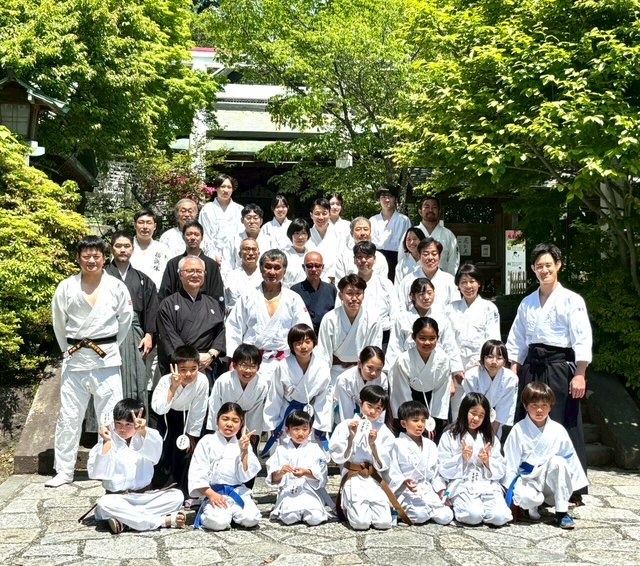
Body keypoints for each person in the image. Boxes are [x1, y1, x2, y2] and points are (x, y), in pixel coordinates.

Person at [47, 236, 133, 488]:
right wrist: (68, 350)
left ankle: (108, 466)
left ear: (104, 258)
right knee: (69, 417)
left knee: (111, 416)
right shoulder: (66, 287)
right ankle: (64, 470)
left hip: (106, 359)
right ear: (78, 258)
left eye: (96, 255)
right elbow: (58, 323)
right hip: (76, 359)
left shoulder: (116, 286)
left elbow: (125, 321)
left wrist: (109, 345)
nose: (91, 260)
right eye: (86, 256)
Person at [506, 243, 591, 489]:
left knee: (565, 422)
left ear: (559, 265)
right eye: (539, 266)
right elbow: (517, 339)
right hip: (532, 366)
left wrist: (580, 374)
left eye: (548, 265)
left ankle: (571, 487)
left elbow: (582, 338)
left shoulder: (572, 300)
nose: (544, 270)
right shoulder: (527, 302)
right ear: (533, 269)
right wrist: (514, 369)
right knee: (529, 420)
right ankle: (529, 483)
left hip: (559, 367)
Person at [87, 398, 185, 533]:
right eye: (118, 423)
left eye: (128, 424)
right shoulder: (108, 439)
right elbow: (98, 473)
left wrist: (143, 431)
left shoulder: (149, 435)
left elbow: (155, 457)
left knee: (177, 496)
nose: (122, 429)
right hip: (118, 499)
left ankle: (126, 521)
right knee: (105, 504)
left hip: (144, 497)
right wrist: (107, 442)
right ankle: (161, 521)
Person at [503, 382, 588, 529]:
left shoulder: (558, 430)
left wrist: (572, 489)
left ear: (550, 407)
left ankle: (561, 513)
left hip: (550, 480)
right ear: (525, 406)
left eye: (544, 405)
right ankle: (532, 506)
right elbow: (510, 463)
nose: (539, 410)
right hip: (527, 479)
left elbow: (569, 459)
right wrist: (508, 493)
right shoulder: (518, 429)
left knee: (559, 462)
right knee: (525, 498)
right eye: (534, 405)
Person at [225, 249, 313, 380]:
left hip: (285, 362)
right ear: (261, 269)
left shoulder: (293, 299)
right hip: (251, 362)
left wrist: (302, 359)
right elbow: (234, 328)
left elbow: (303, 330)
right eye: (268, 267)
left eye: (277, 268)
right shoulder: (248, 297)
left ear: (284, 271)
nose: (272, 272)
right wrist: (234, 359)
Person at [329, 385, 403, 530]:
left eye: (378, 408)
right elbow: (337, 457)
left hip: (373, 477)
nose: (373, 411)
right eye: (370, 406)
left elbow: (385, 464)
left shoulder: (385, 432)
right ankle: (348, 506)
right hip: (353, 477)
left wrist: (373, 445)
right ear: (360, 402)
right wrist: (351, 438)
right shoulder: (345, 425)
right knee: (361, 523)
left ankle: (366, 508)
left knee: (383, 523)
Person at [438, 393, 512, 527]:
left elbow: (501, 468)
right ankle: (463, 506)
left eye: (481, 415)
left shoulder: (490, 437)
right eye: (473, 413)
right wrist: (462, 459)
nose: (476, 418)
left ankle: (484, 508)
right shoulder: (450, 435)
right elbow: (442, 467)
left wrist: (487, 462)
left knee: (500, 517)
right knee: (473, 516)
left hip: (486, 483)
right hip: (462, 483)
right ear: (464, 411)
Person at [188, 403, 261, 531]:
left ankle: (233, 514)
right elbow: (197, 472)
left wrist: (244, 451)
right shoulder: (207, 441)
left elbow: (246, 475)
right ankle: (211, 512)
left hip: (237, 492)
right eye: (225, 419)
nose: (229, 424)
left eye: (235, 421)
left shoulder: (242, 443)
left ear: (241, 424)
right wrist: (211, 494)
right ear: (217, 420)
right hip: (215, 493)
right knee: (218, 523)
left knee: (251, 519)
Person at [105, 232, 158, 407]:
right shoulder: (101, 276)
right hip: (107, 333)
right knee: (107, 379)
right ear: (111, 248)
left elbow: (151, 309)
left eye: (127, 246)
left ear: (132, 249)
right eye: (118, 246)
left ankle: (136, 417)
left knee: (137, 376)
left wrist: (149, 334)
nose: (123, 250)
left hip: (135, 334)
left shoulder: (143, 279)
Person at [263, 325, 332, 455]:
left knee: (311, 452)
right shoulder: (283, 366)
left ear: (314, 343)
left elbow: (324, 399)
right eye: (298, 343)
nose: (303, 346)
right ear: (292, 345)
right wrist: (273, 423)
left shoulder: (322, 366)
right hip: (288, 412)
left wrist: (321, 425)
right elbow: (275, 395)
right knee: (285, 451)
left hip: (311, 413)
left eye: (307, 342)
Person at [156, 256, 226, 382]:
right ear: (180, 275)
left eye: (199, 271)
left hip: (207, 365)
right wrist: (194, 361)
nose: (195, 275)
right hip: (180, 367)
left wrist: (211, 355)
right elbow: (169, 337)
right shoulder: (168, 304)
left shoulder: (213, 303)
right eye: (190, 271)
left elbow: (221, 333)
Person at [151, 345, 209, 497]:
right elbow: (158, 408)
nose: (189, 374)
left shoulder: (202, 381)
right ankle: (160, 489)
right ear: (174, 368)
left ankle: (183, 491)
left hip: (187, 418)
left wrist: (192, 435)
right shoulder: (165, 380)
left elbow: (199, 409)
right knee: (164, 452)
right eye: (183, 369)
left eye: (193, 369)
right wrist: (173, 387)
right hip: (166, 417)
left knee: (186, 453)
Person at [449, 263, 501, 419]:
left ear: (479, 283)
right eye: (463, 282)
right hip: (457, 368)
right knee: (459, 413)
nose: (468, 286)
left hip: (481, 367)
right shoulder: (451, 309)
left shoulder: (489, 308)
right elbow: (448, 340)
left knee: (481, 411)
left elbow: (493, 340)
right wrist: (456, 369)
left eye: (472, 281)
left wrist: (480, 363)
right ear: (458, 285)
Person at [389, 401, 454, 525]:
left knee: (446, 516)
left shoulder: (430, 445)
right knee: (420, 515)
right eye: (415, 420)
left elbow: (434, 473)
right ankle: (402, 510)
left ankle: (428, 509)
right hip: (406, 490)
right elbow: (393, 471)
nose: (420, 424)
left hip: (426, 488)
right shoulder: (397, 444)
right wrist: (403, 481)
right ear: (403, 423)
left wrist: (440, 490)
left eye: (423, 421)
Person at [389, 317, 452, 441]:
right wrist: (412, 419)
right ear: (414, 337)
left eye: (432, 338)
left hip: (433, 402)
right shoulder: (403, 360)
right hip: (409, 401)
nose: (427, 343)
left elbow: (441, 393)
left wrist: (432, 421)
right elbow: (401, 392)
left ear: (438, 338)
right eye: (422, 338)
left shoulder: (444, 359)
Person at [386, 277, 463, 376]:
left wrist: (456, 370)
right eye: (421, 294)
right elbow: (395, 347)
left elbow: (449, 346)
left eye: (430, 293)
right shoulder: (402, 319)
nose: (426, 297)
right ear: (413, 296)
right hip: (409, 368)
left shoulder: (442, 319)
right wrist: (390, 371)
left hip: (436, 369)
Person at [266, 410, 330, 526]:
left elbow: (322, 473)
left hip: (309, 491)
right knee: (289, 518)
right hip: (289, 491)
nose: (300, 433)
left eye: (305, 429)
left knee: (315, 518)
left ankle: (308, 511)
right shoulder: (281, 450)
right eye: (296, 429)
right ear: (287, 430)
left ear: (310, 430)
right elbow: (273, 478)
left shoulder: (315, 449)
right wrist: (281, 472)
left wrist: (306, 472)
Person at [317, 274, 383, 383]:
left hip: (362, 373)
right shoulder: (330, 319)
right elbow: (324, 355)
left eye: (358, 293)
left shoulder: (373, 319)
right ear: (340, 295)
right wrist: (324, 383)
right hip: (335, 372)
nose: (354, 298)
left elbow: (374, 353)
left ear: (363, 295)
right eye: (349, 293)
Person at [206, 344, 268, 452]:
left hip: (246, 424)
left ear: (258, 367)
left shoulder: (261, 384)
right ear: (234, 365)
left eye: (253, 366)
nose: (248, 370)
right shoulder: (223, 381)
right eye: (244, 365)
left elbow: (257, 410)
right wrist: (217, 429)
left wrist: (252, 432)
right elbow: (214, 406)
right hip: (226, 423)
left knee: (247, 452)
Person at [158, 220, 225, 305]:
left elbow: (217, 294)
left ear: (202, 237)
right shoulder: (173, 264)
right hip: (177, 310)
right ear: (183, 237)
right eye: (189, 234)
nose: (193, 238)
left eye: (196, 234)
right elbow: (165, 294)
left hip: (206, 310)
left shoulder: (211, 265)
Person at [462, 340, 518, 439]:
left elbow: (503, 410)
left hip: (495, 421)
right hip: (472, 417)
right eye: (490, 357)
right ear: (482, 358)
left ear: (505, 361)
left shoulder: (511, 379)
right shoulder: (471, 376)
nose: (494, 361)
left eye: (499, 358)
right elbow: (470, 404)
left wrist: (491, 437)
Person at [352, 241, 397, 345]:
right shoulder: (348, 284)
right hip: (355, 335)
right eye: (359, 257)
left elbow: (395, 314)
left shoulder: (385, 284)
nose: (363, 260)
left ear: (374, 259)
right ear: (354, 260)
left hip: (383, 336)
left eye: (368, 257)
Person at [396, 238, 459, 312]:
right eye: (425, 254)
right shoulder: (408, 280)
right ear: (419, 256)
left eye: (434, 254)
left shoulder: (449, 280)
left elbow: (456, 308)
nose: (430, 257)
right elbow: (400, 307)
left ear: (439, 257)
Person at [335, 346, 388, 423]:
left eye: (378, 369)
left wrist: (377, 427)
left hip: (371, 416)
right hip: (345, 415)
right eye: (370, 367)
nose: (374, 373)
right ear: (360, 364)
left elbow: (380, 407)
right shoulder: (345, 380)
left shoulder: (382, 378)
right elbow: (346, 411)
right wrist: (350, 426)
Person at [369, 186, 411, 281]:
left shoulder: (404, 220)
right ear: (379, 199)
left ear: (395, 199)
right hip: (377, 259)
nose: (387, 200)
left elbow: (407, 244)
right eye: (383, 197)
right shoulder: (373, 220)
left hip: (398, 259)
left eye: (390, 197)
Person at [410, 197, 459, 276]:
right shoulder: (411, 234)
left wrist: (449, 280)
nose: (430, 210)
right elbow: (402, 259)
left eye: (434, 207)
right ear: (420, 211)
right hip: (415, 280)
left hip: (442, 280)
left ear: (439, 211)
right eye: (426, 207)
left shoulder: (448, 235)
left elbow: (453, 263)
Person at [198, 174, 244, 260]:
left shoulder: (239, 210)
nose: (226, 190)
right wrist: (213, 255)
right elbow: (204, 234)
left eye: (229, 187)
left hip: (235, 255)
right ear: (216, 188)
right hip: (212, 254)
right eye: (223, 186)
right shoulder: (207, 209)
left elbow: (242, 234)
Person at [291, 251, 337, 334]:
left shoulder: (331, 289)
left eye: (317, 266)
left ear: (323, 267)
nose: (314, 269)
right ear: (303, 267)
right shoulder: (295, 290)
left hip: (327, 333)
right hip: (304, 335)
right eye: (309, 266)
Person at [334, 217, 388, 283]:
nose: (362, 233)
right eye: (358, 229)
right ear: (351, 233)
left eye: (365, 229)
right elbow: (340, 283)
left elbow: (384, 283)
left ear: (370, 232)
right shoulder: (343, 257)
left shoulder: (380, 257)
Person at [223, 203, 271, 273]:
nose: (252, 221)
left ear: (261, 221)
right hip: (239, 277)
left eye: (255, 218)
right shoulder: (234, 240)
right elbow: (226, 265)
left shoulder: (269, 241)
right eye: (248, 218)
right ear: (242, 220)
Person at [130, 209, 170, 289]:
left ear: (154, 226)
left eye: (149, 223)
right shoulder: (125, 247)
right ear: (135, 225)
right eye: (141, 222)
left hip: (157, 293)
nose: (145, 226)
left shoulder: (163, 249)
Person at [223, 238, 262, 312]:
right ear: (240, 254)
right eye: (247, 249)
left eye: (254, 249)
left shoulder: (264, 276)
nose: (251, 253)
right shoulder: (231, 276)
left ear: (258, 254)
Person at [309, 198, 340, 283]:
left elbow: (341, 258)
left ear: (329, 214)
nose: (321, 217)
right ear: (311, 215)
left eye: (324, 213)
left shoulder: (339, 234)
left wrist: (330, 278)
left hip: (334, 280)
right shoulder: (306, 236)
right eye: (317, 213)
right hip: (311, 280)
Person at [282, 218, 315, 288]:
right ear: (291, 235)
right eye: (296, 233)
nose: (300, 237)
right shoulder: (283, 255)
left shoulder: (312, 254)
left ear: (308, 235)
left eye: (303, 233)